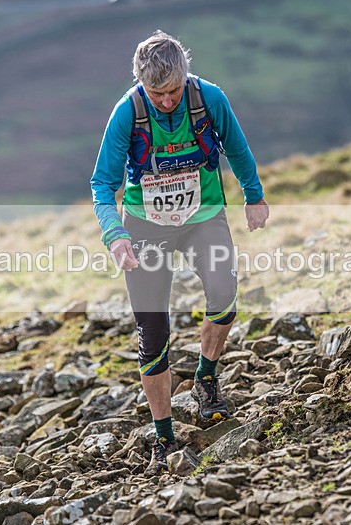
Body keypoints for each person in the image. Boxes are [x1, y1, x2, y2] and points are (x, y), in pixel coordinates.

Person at [90, 30, 269, 475]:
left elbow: (238, 149)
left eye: (173, 91)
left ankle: (206, 378)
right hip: (145, 225)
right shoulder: (126, 113)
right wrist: (115, 235)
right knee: (152, 329)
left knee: (224, 293)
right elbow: (101, 184)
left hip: (203, 216)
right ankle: (164, 436)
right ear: (141, 84)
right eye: (157, 94)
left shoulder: (209, 99)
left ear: (185, 78)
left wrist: (254, 195)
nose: (167, 101)